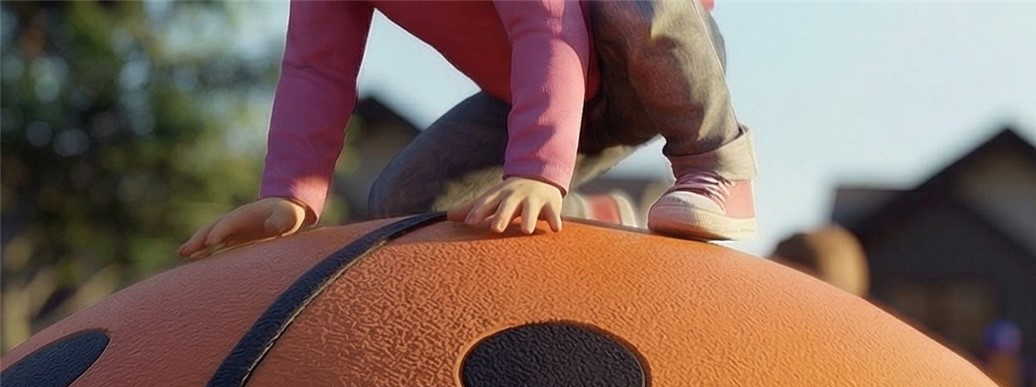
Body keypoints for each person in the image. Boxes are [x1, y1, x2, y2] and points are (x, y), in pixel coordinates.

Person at [181, 0, 756, 258]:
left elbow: (546, 24)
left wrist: (535, 171)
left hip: (650, 70)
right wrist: (289, 193)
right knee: (405, 203)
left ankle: (719, 165)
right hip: (544, 104)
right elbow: (316, 65)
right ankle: (591, 218)